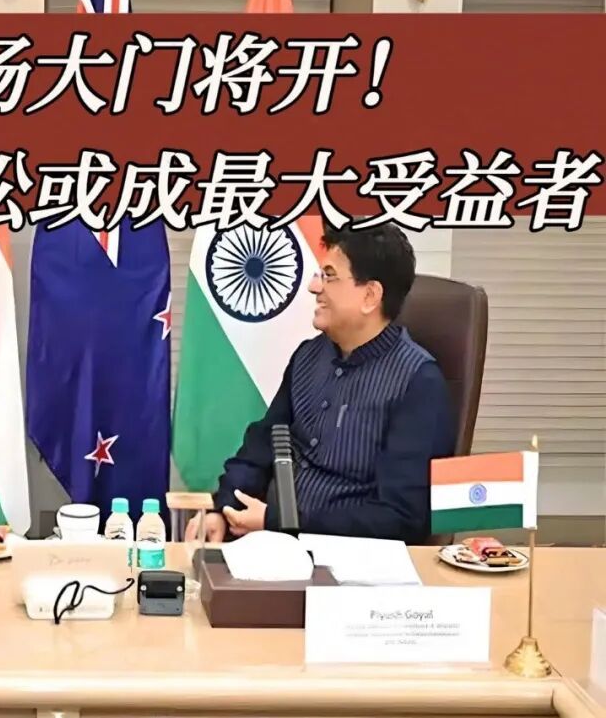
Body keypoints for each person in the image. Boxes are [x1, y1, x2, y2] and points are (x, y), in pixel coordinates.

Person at [188, 222, 456, 546]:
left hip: (355, 563)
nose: (314, 286)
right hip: (276, 549)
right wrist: (223, 508)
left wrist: (282, 522)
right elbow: (261, 446)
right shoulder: (308, 356)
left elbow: (401, 517)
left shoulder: (418, 382)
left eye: (329, 276)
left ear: (370, 296)